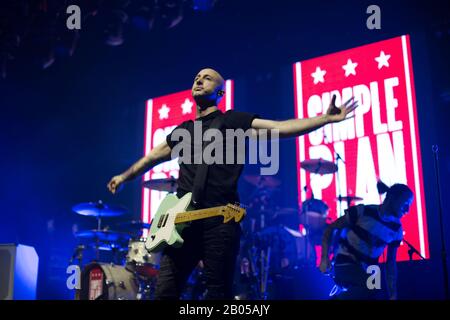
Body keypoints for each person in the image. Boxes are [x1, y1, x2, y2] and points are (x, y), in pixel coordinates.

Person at [107, 68, 357, 299]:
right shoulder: (183, 130)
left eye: (207, 77)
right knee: (165, 293)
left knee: (218, 294)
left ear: (220, 92)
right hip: (180, 225)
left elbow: (280, 128)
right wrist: (123, 176)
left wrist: (324, 119)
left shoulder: (232, 122)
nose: (198, 79)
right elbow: (152, 156)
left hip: (219, 222)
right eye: (196, 77)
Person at [319, 182, 414, 300]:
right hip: (345, 262)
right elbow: (330, 228)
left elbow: (391, 263)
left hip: (370, 269)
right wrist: (324, 257)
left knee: (375, 294)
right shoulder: (363, 211)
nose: (408, 210)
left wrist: (393, 294)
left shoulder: (397, 229)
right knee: (369, 289)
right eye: (405, 204)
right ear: (392, 198)